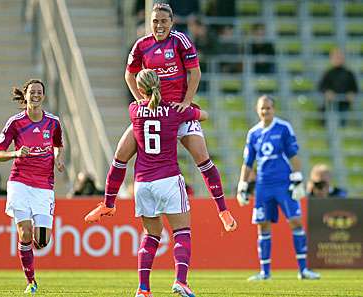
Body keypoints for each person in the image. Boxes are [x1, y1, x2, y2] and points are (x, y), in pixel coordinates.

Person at [89, 69, 236, 297]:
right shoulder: (173, 112)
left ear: (139, 90)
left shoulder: (134, 110)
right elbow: (203, 116)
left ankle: (143, 289)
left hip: (142, 184)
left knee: (150, 236)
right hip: (168, 178)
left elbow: (140, 118)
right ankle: (180, 281)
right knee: (182, 232)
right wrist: (191, 108)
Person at [86, 3, 230, 226]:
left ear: (171, 23)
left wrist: (186, 102)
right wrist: (141, 101)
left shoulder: (180, 41)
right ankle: (108, 204)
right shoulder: (142, 45)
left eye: (163, 21)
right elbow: (129, 75)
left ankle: (222, 210)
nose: (159, 25)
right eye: (155, 21)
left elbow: (195, 72)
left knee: (202, 158)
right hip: (154, 112)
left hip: (177, 112)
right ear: (149, 22)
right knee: (121, 153)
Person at [236, 95, 320, 281]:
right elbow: (248, 162)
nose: (265, 111)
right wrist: (242, 185)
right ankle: (265, 273)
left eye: (268, 108)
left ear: (274, 109)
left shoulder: (283, 128)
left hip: (283, 183)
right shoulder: (253, 133)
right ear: (257, 110)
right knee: (262, 225)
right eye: (262, 108)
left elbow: (293, 155)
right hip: (263, 185)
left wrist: (297, 179)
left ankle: (303, 270)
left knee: (296, 221)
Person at [0, 79, 65, 294]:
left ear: (43, 96)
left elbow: (58, 144)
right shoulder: (15, 122)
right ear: (25, 96)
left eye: (39, 92)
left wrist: (58, 158)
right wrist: (15, 153)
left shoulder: (53, 122)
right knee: (25, 233)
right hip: (20, 182)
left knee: (43, 241)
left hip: (44, 185)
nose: (35, 95)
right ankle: (31, 281)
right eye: (32, 92)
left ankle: (29, 253)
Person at [318, 48, 358, 126]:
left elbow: (354, 88)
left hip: (344, 103)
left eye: (340, 57)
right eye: (336, 57)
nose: (338, 59)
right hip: (330, 104)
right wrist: (327, 93)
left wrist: (351, 94)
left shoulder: (349, 73)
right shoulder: (328, 73)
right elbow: (322, 87)